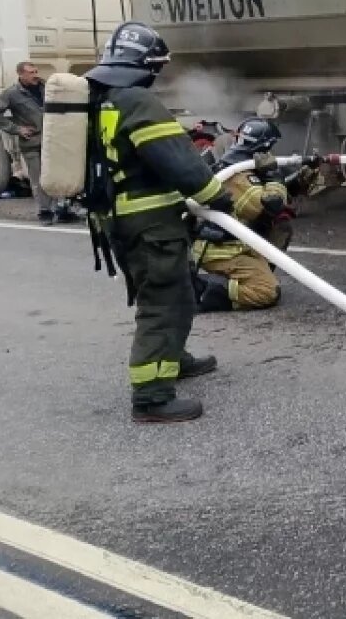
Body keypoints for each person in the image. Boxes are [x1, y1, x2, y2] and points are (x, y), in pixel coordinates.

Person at [83, 21, 236, 423]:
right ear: (145, 65)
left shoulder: (99, 98)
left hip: (122, 221)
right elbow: (179, 163)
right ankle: (151, 397)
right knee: (162, 304)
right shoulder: (138, 101)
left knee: (180, 294)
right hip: (150, 226)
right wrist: (218, 198)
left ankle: (173, 359)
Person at [191, 117, 321, 312]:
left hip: (237, 244)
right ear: (261, 149)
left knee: (281, 228)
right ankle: (203, 288)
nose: (271, 153)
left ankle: (255, 272)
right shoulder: (236, 175)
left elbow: (275, 197)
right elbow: (266, 205)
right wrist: (273, 175)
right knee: (266, 292)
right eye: (269, 148)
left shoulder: (245, 166)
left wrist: (300, 179)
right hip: (221, 249)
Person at [0, 61, 81, 224]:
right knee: (38, 179)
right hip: (32, 143)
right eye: (30, 72)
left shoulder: (47, 88)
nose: (35, 74)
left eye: (36, 71)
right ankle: (44, 212)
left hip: (53, 141)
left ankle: (63, 209)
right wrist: (16, 129)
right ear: (21, 75)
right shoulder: (12, 94)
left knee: (59, 176)